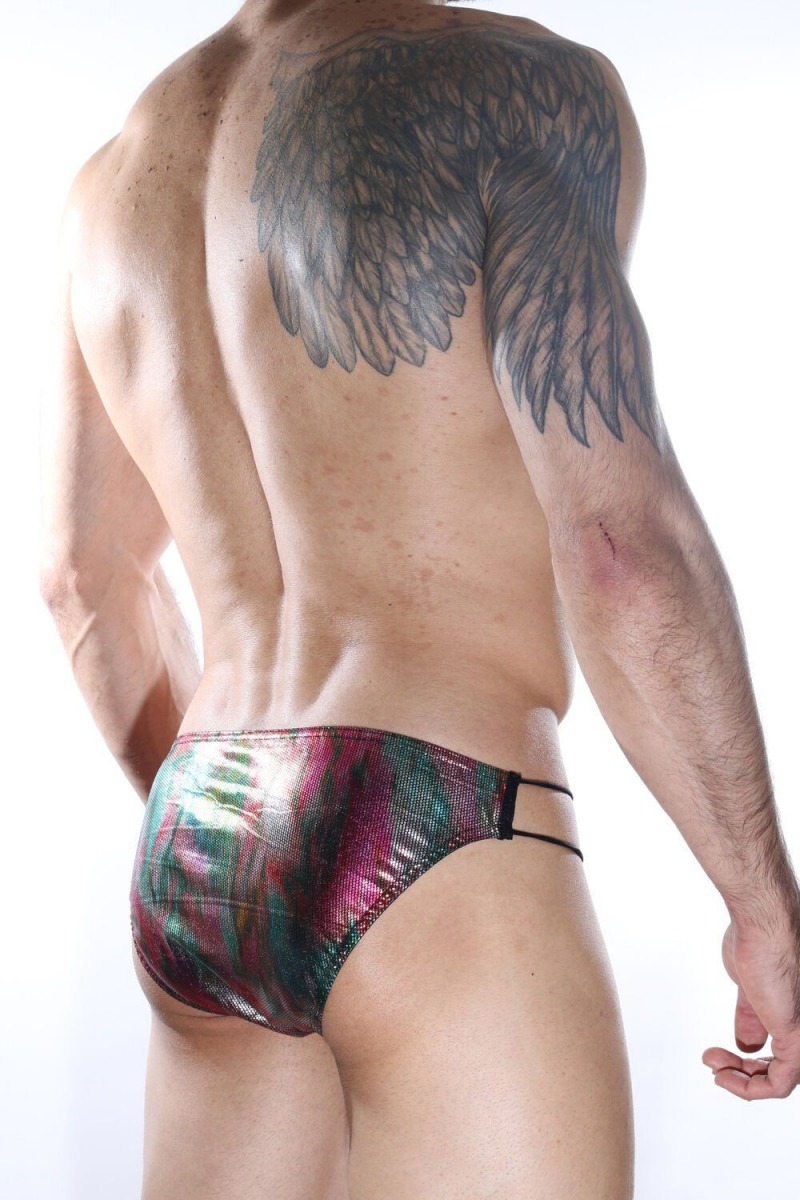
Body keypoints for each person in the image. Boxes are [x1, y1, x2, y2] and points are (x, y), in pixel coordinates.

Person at [39, 0, 800, 1196]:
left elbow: (81, 580)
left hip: (201, 837)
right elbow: (618, 542)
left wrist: (256, 839)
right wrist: (760, 901)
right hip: (440, 818)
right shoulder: (516, 87)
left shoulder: (115, 178)